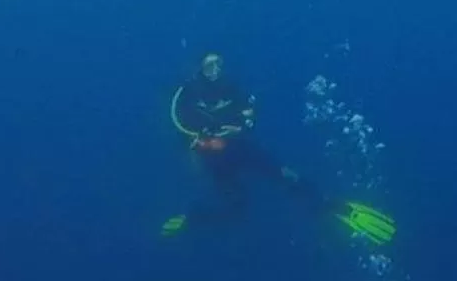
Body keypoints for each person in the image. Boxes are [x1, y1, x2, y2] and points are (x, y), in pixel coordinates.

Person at [162, 52, 396, 246]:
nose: (216, 70)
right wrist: (207, 143)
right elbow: (181, 134)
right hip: (218, 163)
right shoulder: (185, 96)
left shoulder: (229, 86)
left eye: (219, 64)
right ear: (199, 68)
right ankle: (193, 218)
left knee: (287, 174)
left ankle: (328, 206)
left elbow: (248, 114)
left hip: (241, 148)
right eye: (210, 65)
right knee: (237, 209)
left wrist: (246, 120)